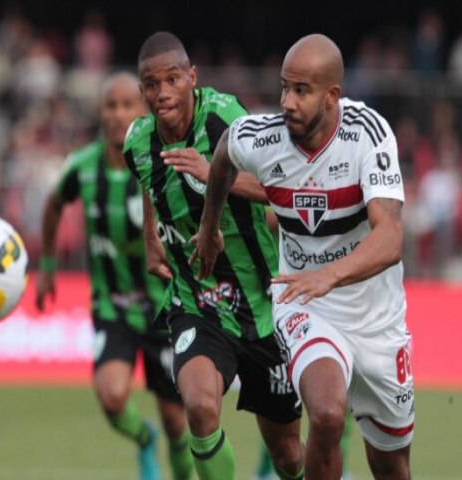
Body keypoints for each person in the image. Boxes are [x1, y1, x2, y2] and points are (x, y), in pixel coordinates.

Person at [192, 33, 414, 479]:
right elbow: (222, 158)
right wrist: (209, 225)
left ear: (333, 96)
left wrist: (330, 275)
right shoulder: (262, 138)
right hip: (305, 304)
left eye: (301, 90)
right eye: (284, 87)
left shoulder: (367, 135)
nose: (287, 102)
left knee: (391, 464)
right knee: (328, 414)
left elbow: (390, 238)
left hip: (377, 318)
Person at [123, 31, 304, 480]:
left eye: (173, 79)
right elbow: (148, 182)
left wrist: (214, 174)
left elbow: (277, 190)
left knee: (288, 456)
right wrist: (151, 234)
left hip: (264, 307)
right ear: (141, 88)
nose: (163, 92)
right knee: (201, 408)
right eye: (151, 83)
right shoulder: (137, 143)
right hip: (198, 303)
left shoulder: (227, 120)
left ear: (192, 78)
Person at [36, 71, 194, 480]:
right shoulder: (83, 167)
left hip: (164, 309)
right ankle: (144, 439)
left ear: (142, 109)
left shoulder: (162, 163)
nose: (119, 113)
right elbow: (53, 206)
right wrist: (48, 267)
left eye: (127, 105)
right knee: (110, 397)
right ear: (100, 112)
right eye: (111, 105)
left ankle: (174, 458)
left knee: (180, 425)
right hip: (112, 305)